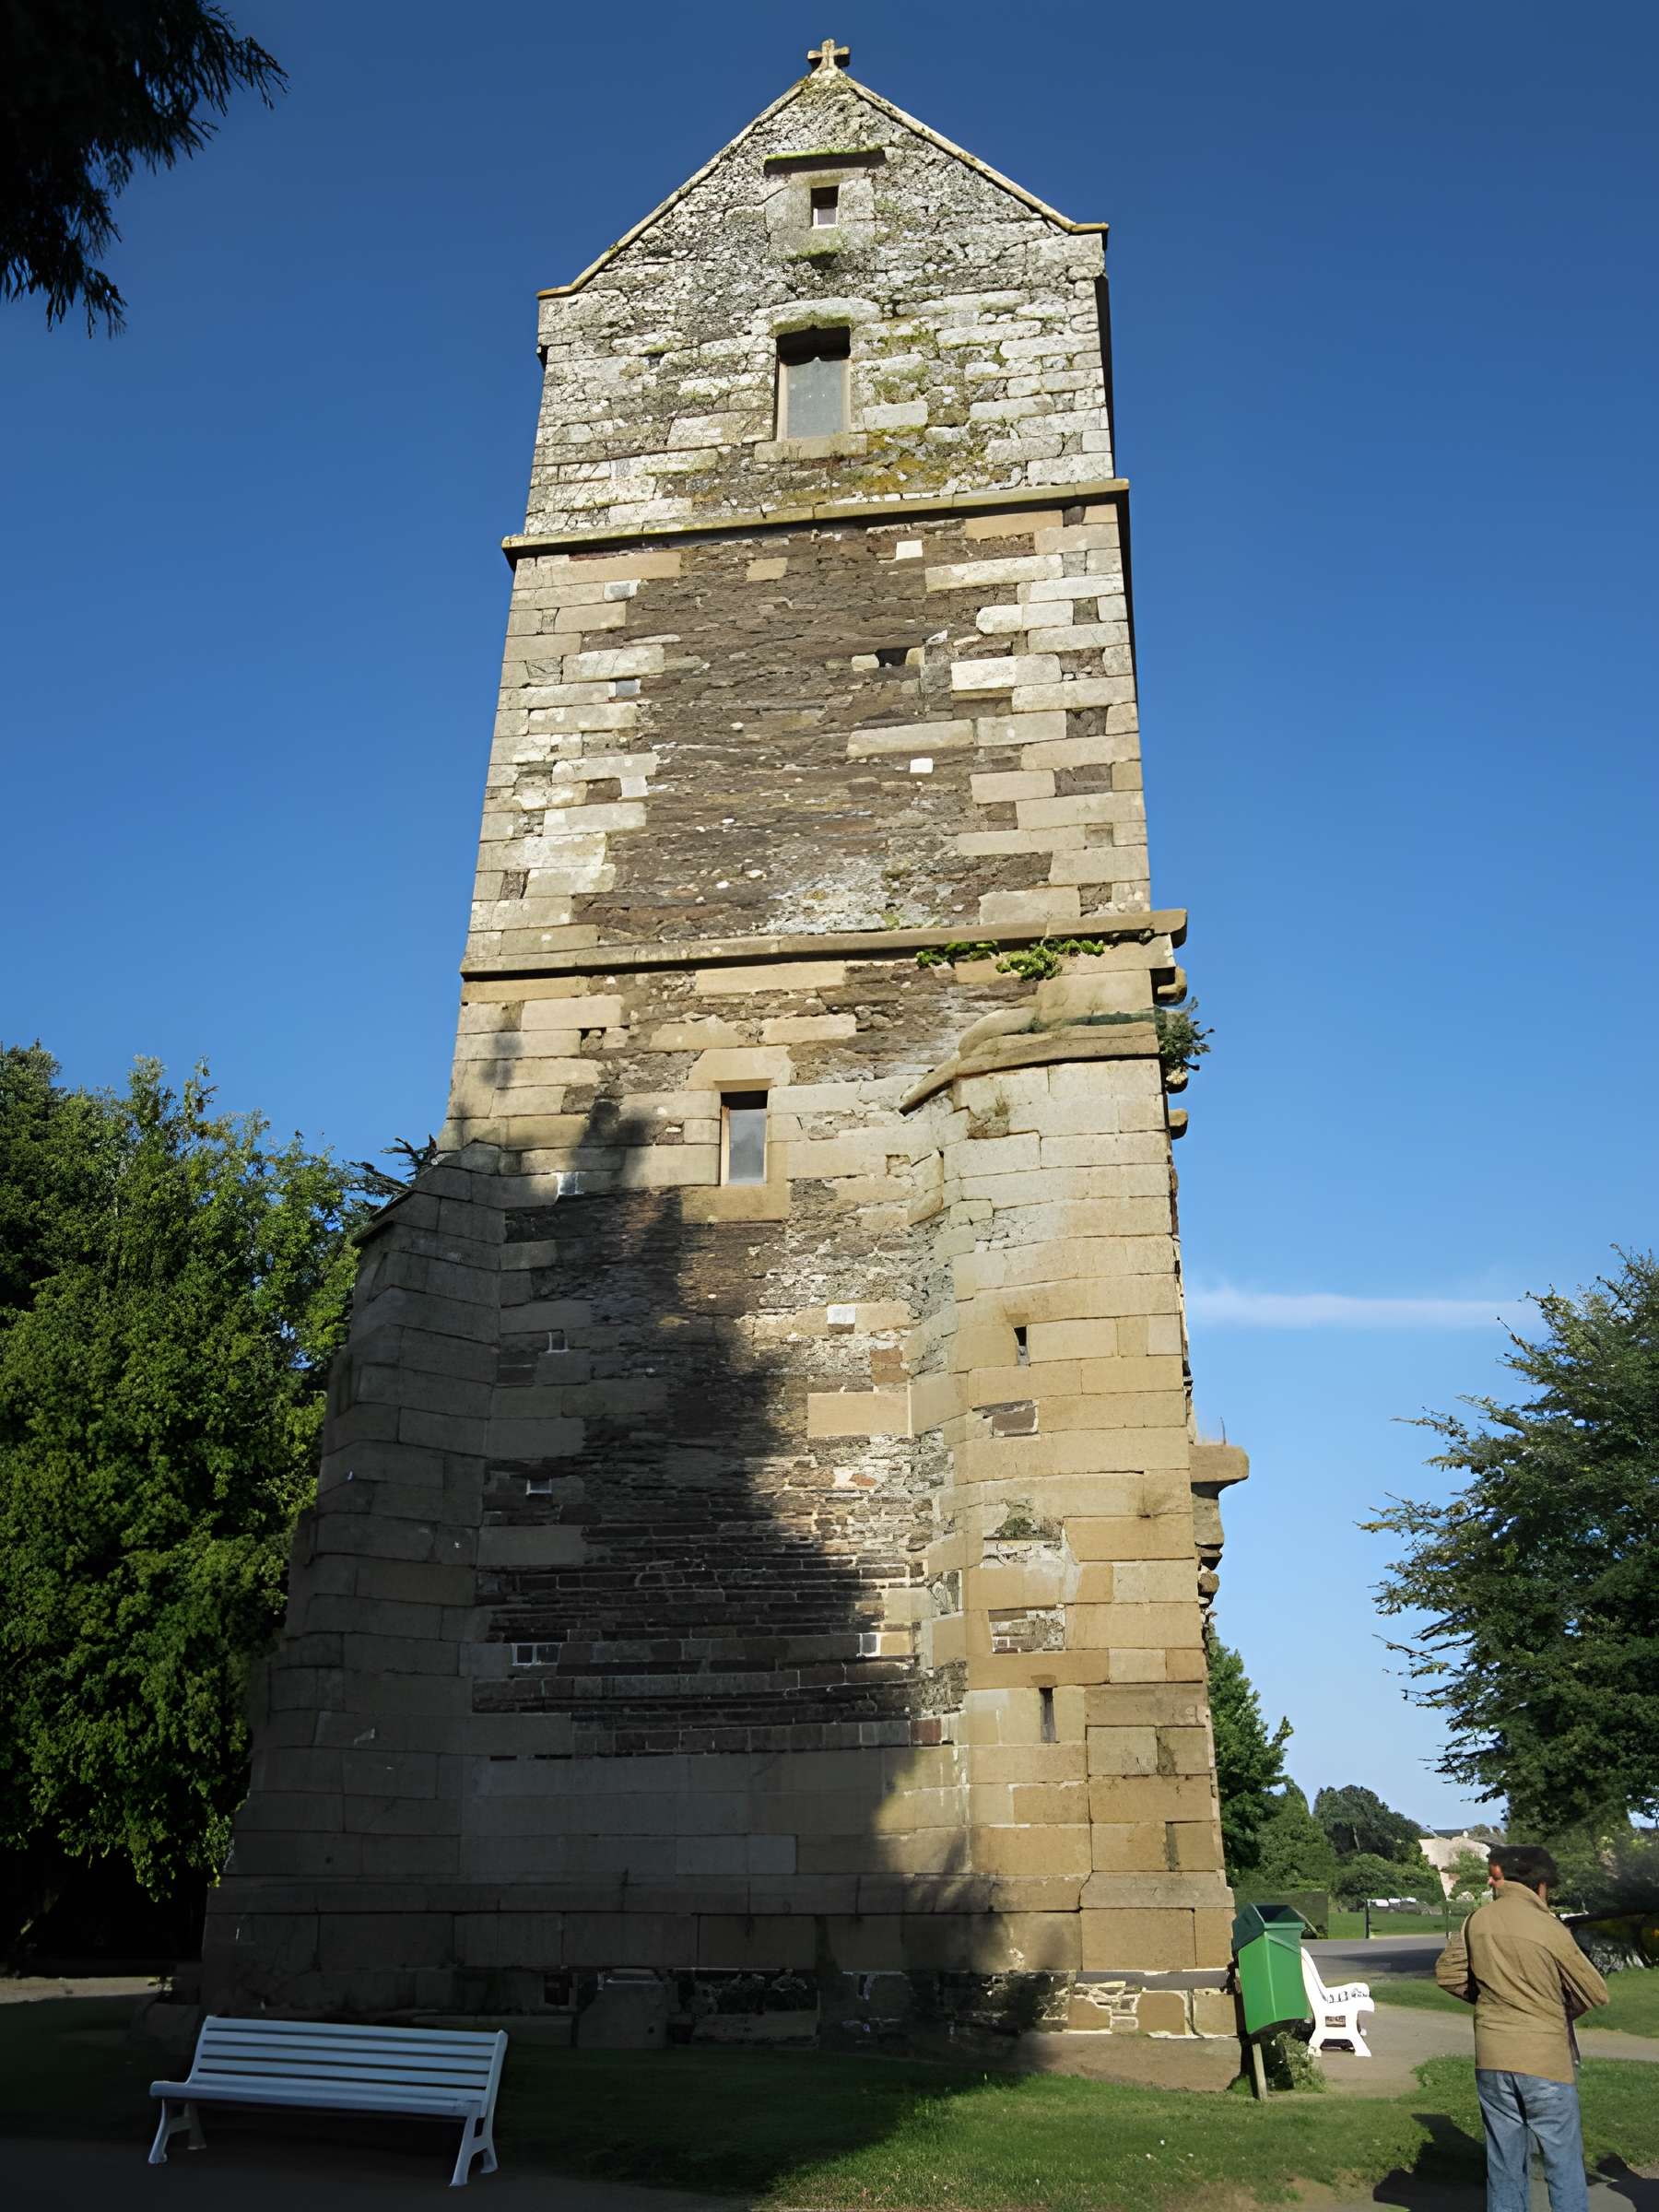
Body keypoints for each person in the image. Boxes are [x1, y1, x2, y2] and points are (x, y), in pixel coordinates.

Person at [1435, 1843, 1609, 2212]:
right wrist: (1557, 2011)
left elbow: (1448, 1974)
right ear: (1541, 1885)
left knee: (1503, 2167)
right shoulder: (1550, 1928)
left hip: (1493, 2058)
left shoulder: (1476, 1920)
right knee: (1562, 2166)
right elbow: (1595, 1991)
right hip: (1546, 2061)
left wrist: (1489, 2002)